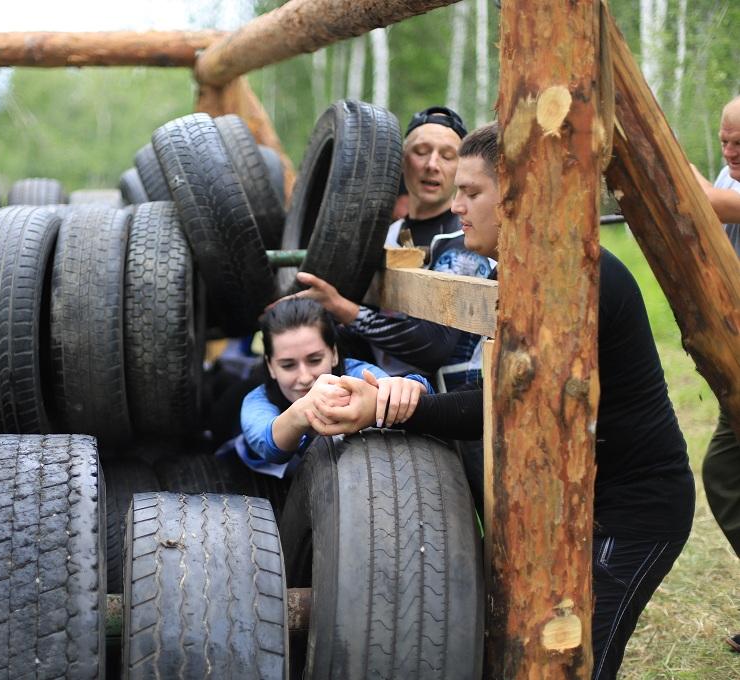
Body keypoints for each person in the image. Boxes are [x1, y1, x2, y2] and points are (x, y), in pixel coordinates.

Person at [305, 122, 695, 680]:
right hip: (572, 502)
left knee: (568, 666)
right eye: (458, 191)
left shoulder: (573, 281)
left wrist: (388, 407)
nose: (458, 205)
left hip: (632, 513)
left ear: (515, 194)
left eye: (472, 192)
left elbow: (505, 408)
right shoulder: (520, 270)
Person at [292, 105, 492, 390]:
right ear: (401, 160)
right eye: (421, 151)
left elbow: (432, 346)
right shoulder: (384, 235)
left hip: (439, 403)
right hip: (370, 383)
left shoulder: (467, 239)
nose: (432, 165)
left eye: (448, 156)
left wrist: (342, 308)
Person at [220, 297, 432, 479]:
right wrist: (303, 411)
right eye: (288, 365)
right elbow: (270, 447)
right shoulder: (257, 401)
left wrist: (415, 386)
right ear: (270, 366)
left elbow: (389, 390)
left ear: (334, 354)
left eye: (314, 360)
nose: (304, 377)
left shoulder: (355, 372)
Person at [691, 95, 740, 653]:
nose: (729, 152)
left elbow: (711, 203)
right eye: (725, 140)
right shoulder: (730, 173)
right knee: (726, 476)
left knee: (725, 474)